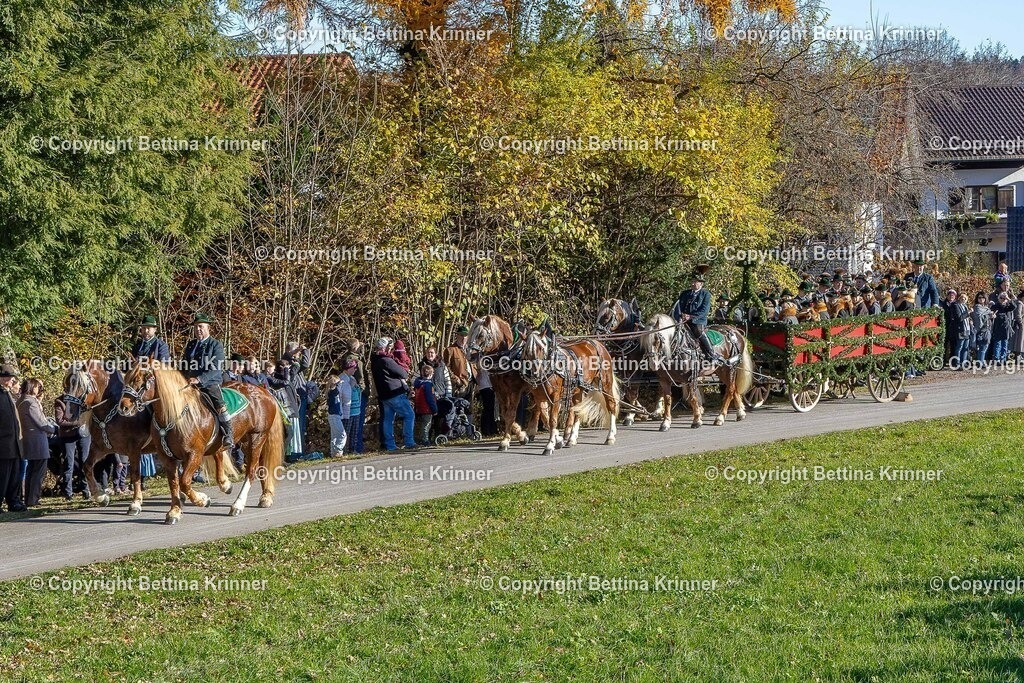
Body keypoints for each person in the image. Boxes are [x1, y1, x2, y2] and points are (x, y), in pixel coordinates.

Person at [181, 313, 232, 448]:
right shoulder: (191, 345)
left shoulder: (216, 345)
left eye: (201, 327)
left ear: (208, 328)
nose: (198, 329)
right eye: (196, 327)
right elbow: (184, 365)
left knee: (219, 403)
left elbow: (217, 368)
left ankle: (228, 434)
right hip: (190, 383)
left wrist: (199, 379)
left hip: (209, 383)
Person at [670, 268, 725, 365]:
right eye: (692, 281)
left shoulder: (706, 294)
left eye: (695, 282)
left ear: (701, 284)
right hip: (682, 320)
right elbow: (677, 306)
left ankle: (712, 354)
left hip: (698, 321)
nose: (692, 284)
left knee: (698, 331)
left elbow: (704, 311)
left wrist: (690, 317)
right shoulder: (685, 293)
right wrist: (680, 315)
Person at [371, 337, 417, 451]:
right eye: (389, 348)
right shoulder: (387, 360)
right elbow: (403, 373)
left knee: (388, 420)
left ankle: (390, 445)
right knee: (409, 415)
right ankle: (409, 441)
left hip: (384, 395)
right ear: (385, 348)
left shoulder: (374, 360)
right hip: (395, 393)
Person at [18, 378, 56, 508]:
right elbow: (41, 422)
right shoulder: (30, 403)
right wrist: (54, 429)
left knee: (31, 470)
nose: (40, 389)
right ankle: (33, 499)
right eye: (38, 386)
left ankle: (29, 497)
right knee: (38, 471)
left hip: (28, 440)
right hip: (37, 440)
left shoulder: (20, 400)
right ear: (32, 387)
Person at [53, 390, 92, 501]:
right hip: (67, 435)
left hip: (83, 433)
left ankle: (86, 490)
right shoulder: (60, 401)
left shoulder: (83, 398)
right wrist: (78, 422)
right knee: (68, 463)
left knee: (84, 461)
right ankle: (68, 493)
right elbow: (60, 421)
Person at [0, 364, 25, 513]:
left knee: (14, 476)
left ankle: (13, 501)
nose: (12, 381)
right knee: (2, 476)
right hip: (3, 444)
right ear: (3, 379)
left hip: (15, 444)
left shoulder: (8, 394)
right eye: (10, 378)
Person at [282, 341, 312, 455]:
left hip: (302, 395)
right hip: (294, 397)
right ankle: (294, 452)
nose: (298, 354)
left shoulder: (295, 362)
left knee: (302, 425)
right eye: (296, 351)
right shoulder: (286, 362)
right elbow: (287, 356)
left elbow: (305, 364)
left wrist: (305, 351)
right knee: (296, 424)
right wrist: (298, 350)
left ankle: (300, 450)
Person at [342, 339, 368, 454]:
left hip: (348, 395)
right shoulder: (356, 361)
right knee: (356, 422)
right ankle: (355, 448)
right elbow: (361, 378)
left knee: (349, 423)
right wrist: (362, 389)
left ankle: (348, 448)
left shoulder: (344, 358)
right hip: (356, 394)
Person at [412, 365, 438, 447]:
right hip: (427, 408)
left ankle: (422, 438)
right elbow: (430, 398)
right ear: (431, 375)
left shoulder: (418, 384)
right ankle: (425, 440)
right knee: (426, 424)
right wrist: (435, 409)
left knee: (422, 424)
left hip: (419, 407)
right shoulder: (428, 385)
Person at [326, 373, 351, 457]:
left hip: (336, 416)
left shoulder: (334, 392)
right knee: (342, 434)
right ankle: (338, 450)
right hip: (334, 416)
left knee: (335, 436)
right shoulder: (332, 392)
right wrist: (338, 383)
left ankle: (334, 453)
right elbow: (335, 389)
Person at [991, 292, 1016, 363]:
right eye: (1001, 298)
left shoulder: (1007, 306)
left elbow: (1014, 307)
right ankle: (996, 358)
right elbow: (991, 312)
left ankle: (1003, 358)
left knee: (1005, 344)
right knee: (997, 344)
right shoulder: (995, 305)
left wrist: (1008, 299)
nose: (1003, 299)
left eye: (1004, 298)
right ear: (998, 298)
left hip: (1006, 327)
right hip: (997, 327)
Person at [971, 292, 994, 363]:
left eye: (983, 297)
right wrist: (988, 315)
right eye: (979, 298)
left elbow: (988, 316)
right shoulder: (976, 307)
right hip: (979, 329)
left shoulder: (987, 308)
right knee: (981, 346)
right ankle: (980, 362)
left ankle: (981, 361)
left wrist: (992, 316)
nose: (981, 299)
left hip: (987, 329)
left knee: (985, 346)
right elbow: (978, 317)